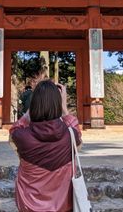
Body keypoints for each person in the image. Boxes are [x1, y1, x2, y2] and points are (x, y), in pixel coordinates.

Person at [9, 80, 81, 212]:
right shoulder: (71, 136)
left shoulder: (22, 137)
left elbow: (13, 130)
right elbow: (76, 129)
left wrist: (29, 113)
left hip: (29, 205)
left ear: (33, 103)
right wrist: (64, 109)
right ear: (58, 104)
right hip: (64, 206)